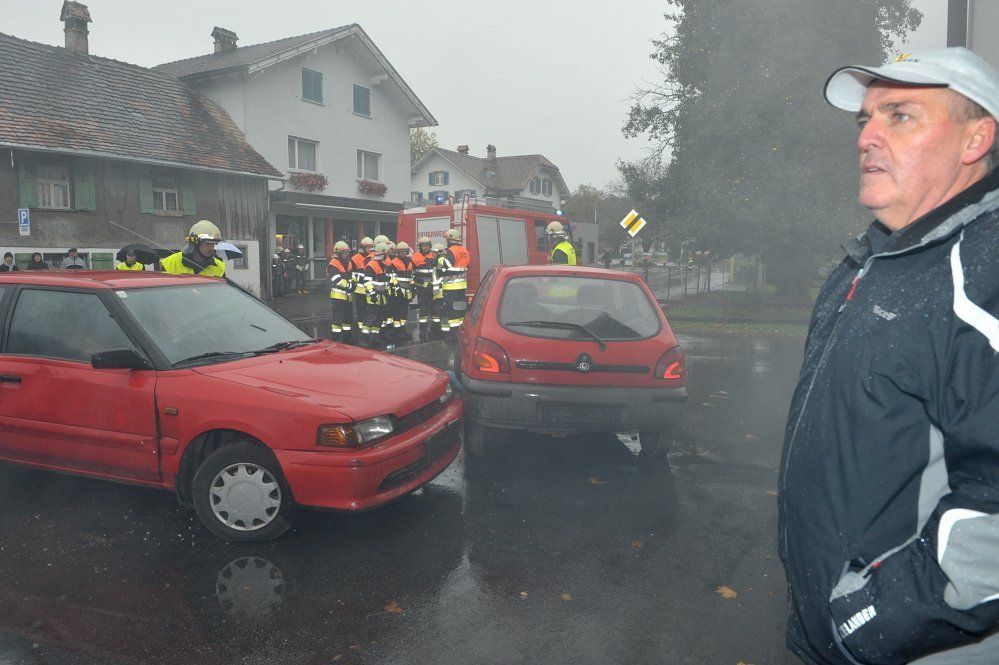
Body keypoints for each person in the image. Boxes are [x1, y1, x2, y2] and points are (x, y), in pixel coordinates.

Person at [779, 47, 999, 665]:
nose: (866, 137)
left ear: (975, 140)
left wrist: (873, 618)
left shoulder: (983, 277)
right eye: (865, 119)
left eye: (899, 115)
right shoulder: (870, 264)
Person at [160, 220, 226, 277]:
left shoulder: (219, 267)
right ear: (195, 243)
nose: (212, 248)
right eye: (208, 244)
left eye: (213, 244)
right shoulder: (170, 264)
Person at [437, 229, 469, 335]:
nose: (446, 241)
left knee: (451, 311)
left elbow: (446, 264)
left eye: (446, 239)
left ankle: (453, 334)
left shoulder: (452, 251)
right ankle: (461, 332)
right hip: (462, 287)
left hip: (451, 288)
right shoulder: (464, 251)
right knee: (460, 310)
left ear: (450, 239)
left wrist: (440, 258)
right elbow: (465, 266)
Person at [360, 242, 391, 348]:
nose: (388, 256)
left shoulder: (382, 264)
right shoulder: (372, 265)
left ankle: (374, 338)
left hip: (382, 295)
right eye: (387, 254)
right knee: (371, 317)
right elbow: (367, 282)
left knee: (379, 317)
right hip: (373, 296)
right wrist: (372, 294)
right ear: (383, 253)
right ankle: (364, 339)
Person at [326, 241, 354, 343]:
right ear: (338, 253)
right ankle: (336, 340)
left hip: (348, 296)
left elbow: (351, 275)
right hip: (338, 297)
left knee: (348, 319)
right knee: (338, 320)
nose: (346, 254)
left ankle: (347, 339)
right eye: (344, 252)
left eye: (347, 252)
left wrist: (353, 282)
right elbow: (337, 280)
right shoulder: (333, 263)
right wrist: (350, 285)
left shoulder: (348, 262)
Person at [411, 236, 436, 341]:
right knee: (423, 310)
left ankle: (434, 330)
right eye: (423, 246)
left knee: (435, 309)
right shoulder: (415, 257)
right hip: (422, 288)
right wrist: (416, 279)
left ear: (430, 246)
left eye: (427, 245)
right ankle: (422, 331)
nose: (425, 247)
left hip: (433, 287)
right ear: (420, 246)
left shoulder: (433, 255)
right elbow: (410, 271)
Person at [349, 237, 374, 338]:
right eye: (368, 247)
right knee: (360, 311)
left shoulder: (373, 257)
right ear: (363, 247)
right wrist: (362, 278)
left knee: (370, 311)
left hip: (370, 290)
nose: (370, 249)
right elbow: (351, 274)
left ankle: (368, 330)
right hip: (359, 290)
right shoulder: (355, 258)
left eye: (371, 247)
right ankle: (361, 330)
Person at [391, 241, 414, 341]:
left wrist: (413, 288)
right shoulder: (394, 262)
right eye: (401, 251)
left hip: (407, 290)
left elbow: (411, 276)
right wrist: (397, 289)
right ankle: (397, 332)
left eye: (405, 251)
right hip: (398, 291)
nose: (403, 253)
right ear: (398, 252)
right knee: (397, 311)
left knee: (405, 311)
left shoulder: (410, 261)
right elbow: (393, 277)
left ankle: (403, 330)